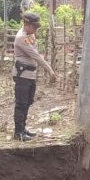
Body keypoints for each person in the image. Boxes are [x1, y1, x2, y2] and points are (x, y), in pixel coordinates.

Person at [12, 12, 56, 142]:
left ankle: (23, 128)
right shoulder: (21, 38)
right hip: (22, 75)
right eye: (34, 27)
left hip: (30, 75)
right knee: (21, 104)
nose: (36, 30)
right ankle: (18, 132)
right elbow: (36, 55)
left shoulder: (30, 35)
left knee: (27, 102)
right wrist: (50, 70)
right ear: (27, 25)